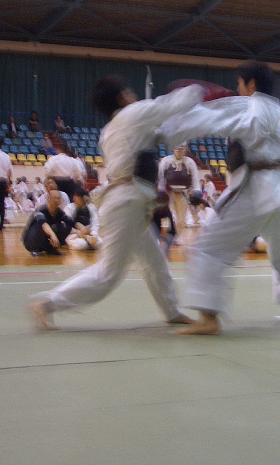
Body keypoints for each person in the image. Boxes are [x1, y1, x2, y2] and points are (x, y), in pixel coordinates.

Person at [29, 76, 204, 330]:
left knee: (154, 262)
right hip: (125, 204)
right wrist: (202, 91)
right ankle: (47, 303)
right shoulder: (133, 115)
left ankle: (172, 311)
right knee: (108, 275)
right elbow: (171, 105)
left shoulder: (110, 130)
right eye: (129, 92)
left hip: (130, 203)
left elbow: (156, 135)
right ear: (123, 97)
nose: (133, 95)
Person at [159, 62, 280, 335]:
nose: (237, 89)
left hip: (254, 188)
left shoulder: (246, 106)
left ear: (252, 84)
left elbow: (207, 118)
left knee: (204, 248)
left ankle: (209, 319)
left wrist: (165, 128)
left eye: (240, 84)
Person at [158, 144, 199, 231]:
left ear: (185, 149)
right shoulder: (166, 161)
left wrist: (196, 190)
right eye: (178, 147)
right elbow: (160, 177)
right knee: (168, 215)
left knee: (181, 217)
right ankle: (167, 235)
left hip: (183, 193)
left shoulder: (190, 162)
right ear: (173, 149)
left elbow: (195, 178)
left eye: (182, 148)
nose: (180, 150)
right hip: (168, 192)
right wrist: (160, 190)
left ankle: (177, 235)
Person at [22, 190, 74, 255]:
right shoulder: (40, 210)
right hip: (30, 239)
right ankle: (34, 249)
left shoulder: (59, 212)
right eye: (54, 198)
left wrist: (83, 229)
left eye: (58, 198)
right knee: (40, 226)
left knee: (66, 226)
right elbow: (44, 224)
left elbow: (72, 222)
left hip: (46, 238)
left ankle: (51, 249)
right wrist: (53, 236)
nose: (56, 200)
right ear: (48, 199)